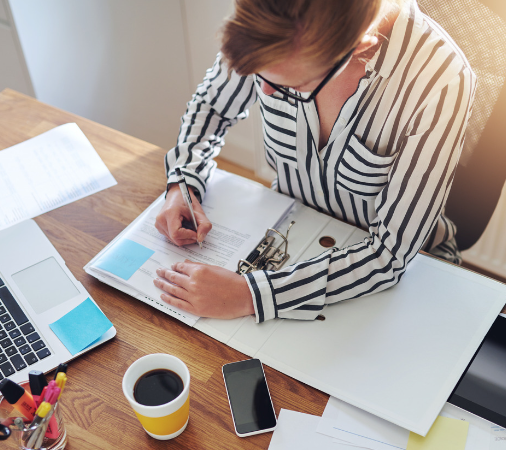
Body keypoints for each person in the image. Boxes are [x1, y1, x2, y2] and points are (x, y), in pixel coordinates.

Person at [153, 0, 476, 323]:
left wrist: (252, 294)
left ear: (360, 47)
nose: (263, 90)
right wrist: (183, 183)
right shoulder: (270, 20)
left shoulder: (444, 81)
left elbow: (388, 254)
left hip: (393, 276)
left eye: (290, 86)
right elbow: (212, 107)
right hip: (292, 235)